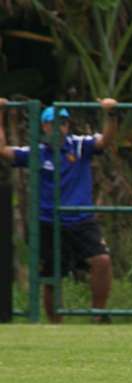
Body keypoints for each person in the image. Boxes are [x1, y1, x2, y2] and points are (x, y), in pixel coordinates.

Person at [0, 97, 119, 324]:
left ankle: (98, 315)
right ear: (44, 126)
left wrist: (111, 115)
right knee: (51, 277)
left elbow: (105, 141)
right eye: (53, 123)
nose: (59, 128)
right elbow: (3, 150)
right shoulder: (37, 151)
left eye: (63, 123)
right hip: (49, 221)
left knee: (102, 261)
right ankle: (56, 326)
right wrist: (1, 114)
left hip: (81, 219)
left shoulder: (79, 145)